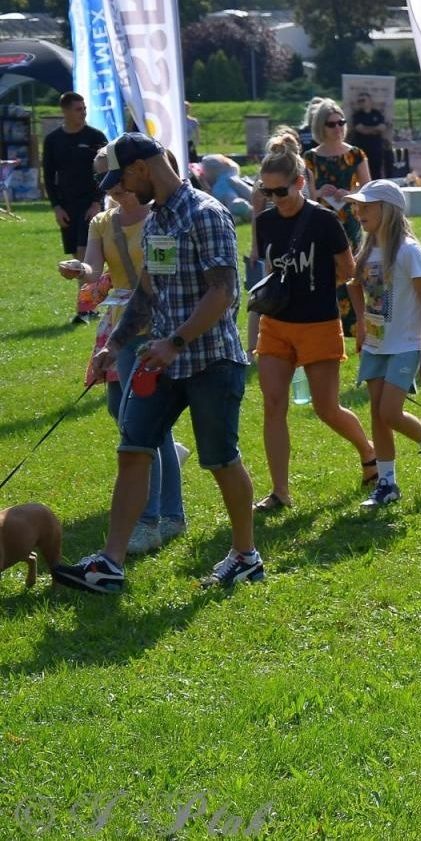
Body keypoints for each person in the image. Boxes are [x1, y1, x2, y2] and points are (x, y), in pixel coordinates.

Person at [56, 133, 263, 594]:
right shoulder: (155, 222)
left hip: (211, 361)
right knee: (133, 449)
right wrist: (117, 342)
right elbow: (148, 292)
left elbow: (224, 291)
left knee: (220, 460)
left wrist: (175, 341)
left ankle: (246, 556)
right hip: (161, 361)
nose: (122, 189)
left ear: (142, 168)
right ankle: (110, 562)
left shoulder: (207, 213)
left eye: (124, 178)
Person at [57, 147, 186, 556]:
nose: (104, 187)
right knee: (123, 413)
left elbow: (165, 276)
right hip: (119, 325)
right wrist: (81, 271)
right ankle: (164, 496)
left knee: (140, 425)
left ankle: (160, 517)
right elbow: (95, 269)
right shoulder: (101, 222)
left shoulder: (157, 216)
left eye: (105, 177)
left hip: (155, 324)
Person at [249, 136, 376, 512]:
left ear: (300, 183)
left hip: (319, 323)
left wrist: (358, 320)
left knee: (326, 408)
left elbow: (349, 271)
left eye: (281, 190)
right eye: (267, 192)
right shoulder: (266, 222)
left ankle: (368, 453)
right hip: (277, 324)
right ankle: (280, 491)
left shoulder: (324, 221)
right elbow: (271, 271)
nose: (275, 198)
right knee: (273, 405)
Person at [346, 179, 421, 508]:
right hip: (377, 344)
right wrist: (362, 325)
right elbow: (354, 287)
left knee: (390, 412)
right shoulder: (367, 249)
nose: (358, 212)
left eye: (366, 206)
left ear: (388, 210)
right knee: (377, 415)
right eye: (357, 206)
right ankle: (387, 483)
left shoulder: (408, 251)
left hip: (405, 343)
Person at [43, 91, 110, 325]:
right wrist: (57, 207)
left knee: (84, 255)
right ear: (65, 111)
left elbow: (106, 172)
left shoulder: (95, 136)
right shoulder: (53, 141)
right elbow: (49, 177)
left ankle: (85, 309)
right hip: (67, 206)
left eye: (84, 109)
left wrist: (96, 202)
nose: (83, 113)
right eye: (78, 109)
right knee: (76, 255)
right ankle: (90, 304)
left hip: (90, 204)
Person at [307, 98, 370, 334]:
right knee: (325, 269)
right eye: (331, 124)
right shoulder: (310, 157)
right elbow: (305, 195)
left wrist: (349, 193)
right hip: (322, 220)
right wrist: (318, 192)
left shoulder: (355, 154)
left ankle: (358, 325)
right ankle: (328, 324)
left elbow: (369, 188)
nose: (337, 128)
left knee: (352, 269)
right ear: (320, 126)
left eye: (341, 122)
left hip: (350, 220)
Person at [348, 93, 391, 180]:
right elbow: (360, 129)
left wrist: (367, 128)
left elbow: (382, 128)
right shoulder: (357, 115)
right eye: (359, 101)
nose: (361, 102)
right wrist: (375, 129)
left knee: (376, 171)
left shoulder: (377, 114)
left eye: (363, 100)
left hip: (376, 147)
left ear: (370, 101)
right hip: (362, 147)